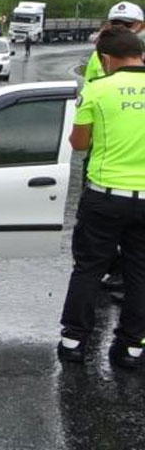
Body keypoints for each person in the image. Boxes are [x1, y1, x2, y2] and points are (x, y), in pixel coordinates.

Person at [57, 27, 145, 369]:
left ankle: (74, 342)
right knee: (139, 273)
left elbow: (79, 144)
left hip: (105, 195)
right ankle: (130, 347)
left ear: (106, 59)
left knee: (89, 268)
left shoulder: (97, 89)